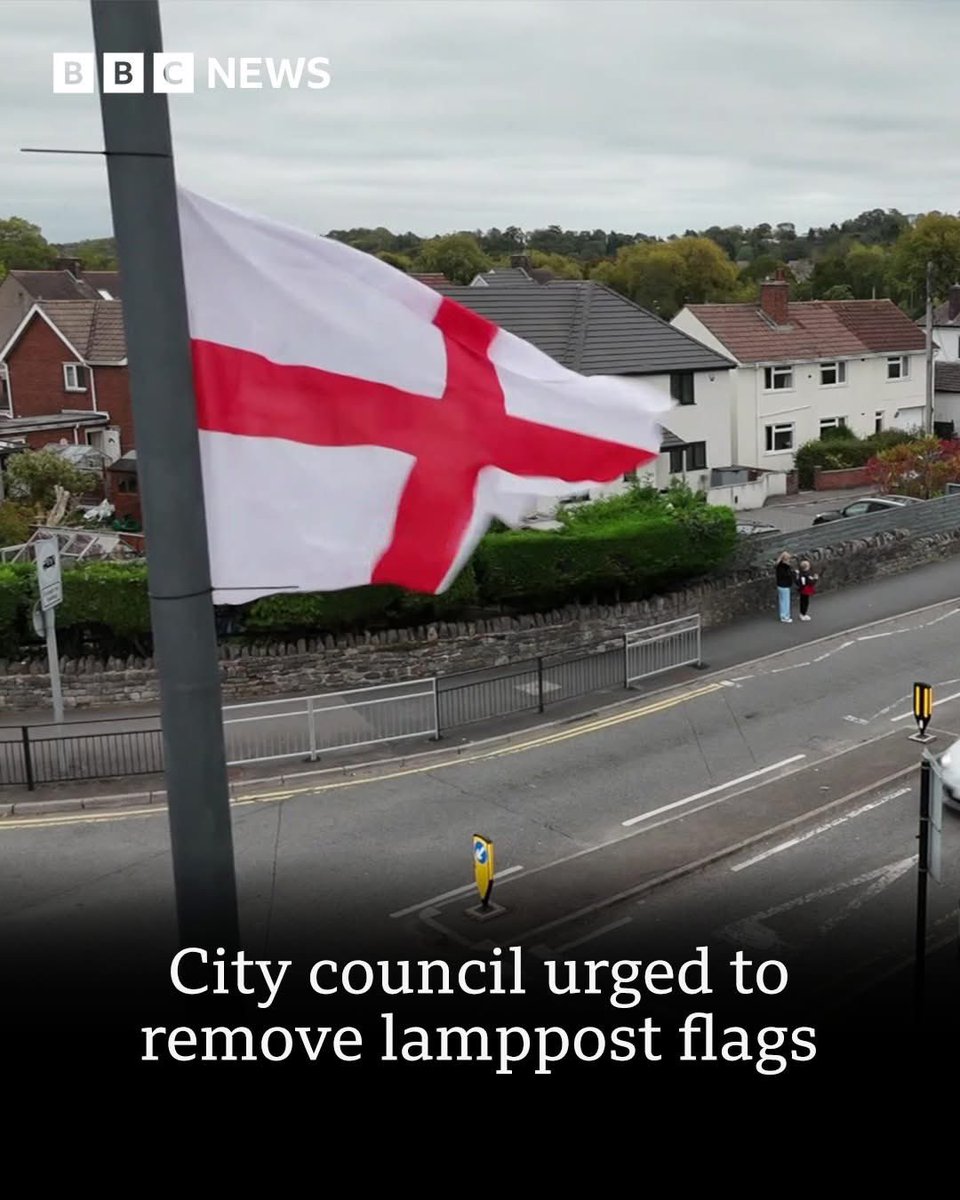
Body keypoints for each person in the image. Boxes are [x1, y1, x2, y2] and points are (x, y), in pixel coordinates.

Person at [775, 551, 795, 622]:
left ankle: (785, 615)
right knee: (785, 601)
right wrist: (793, 573)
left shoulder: (779, 566)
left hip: (781, 585)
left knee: (783, 601)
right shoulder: (784, 567)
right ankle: (784, 616)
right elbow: (786, 576)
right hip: (784, 585)